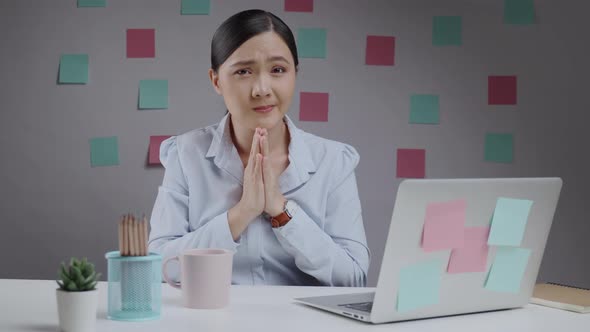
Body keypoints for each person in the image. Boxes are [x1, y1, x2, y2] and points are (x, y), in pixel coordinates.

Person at [148, 9, 370, 286]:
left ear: (295, 74)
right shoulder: (185, 154)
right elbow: (157, 268)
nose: (262, 89)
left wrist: (281, 210)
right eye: (243, 71)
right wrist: (242, 213)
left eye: (278, 70)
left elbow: (353, 278)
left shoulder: (333, 161)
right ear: (216, 80)